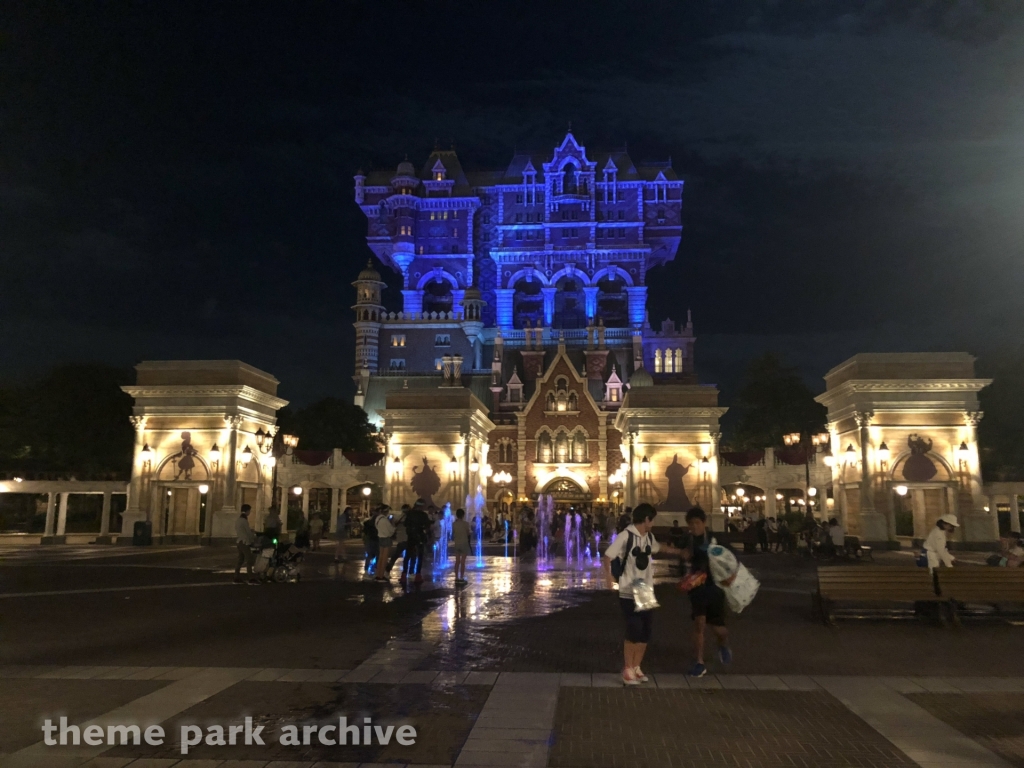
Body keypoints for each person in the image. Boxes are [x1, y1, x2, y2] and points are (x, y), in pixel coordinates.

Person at [603, 503, 683, 686]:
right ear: (646, 519)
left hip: (645, 589)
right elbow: (608, 555)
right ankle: (627, 669)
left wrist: (679, 552)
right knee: (634, 628)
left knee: (646, 630)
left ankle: (637, 667)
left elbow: (659, 548)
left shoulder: (648, 537)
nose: (652, 523)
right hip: (628, 589)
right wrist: (608, 577)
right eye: (652, 519)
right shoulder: (625, 536)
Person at [681, 507, 731, 678]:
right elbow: (682, 563)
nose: (694, 527)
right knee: (699, 624)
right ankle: (699, 662)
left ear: (704, 523)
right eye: (691, 524)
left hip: (715, 588)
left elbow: (731, 559)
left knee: (719, 630)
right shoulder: (687, 541)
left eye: (697, 523)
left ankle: (722, 644)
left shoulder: (716, 540)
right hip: (697, 590)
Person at [404, 499, 431, 584]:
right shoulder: (423, 515)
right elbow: (427, 526)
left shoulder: (410, 514)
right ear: (422, 506)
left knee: (408, 555)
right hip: (420, 537)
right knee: (419, 556)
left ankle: (404, 574)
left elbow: (405, 524)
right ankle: (418, 575)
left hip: (411, 537)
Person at [234, 505, 258, 585]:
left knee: (240, 560)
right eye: (249, 511)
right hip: (245, 542)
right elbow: (248, 533)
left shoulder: (238, 520)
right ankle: (251, 578)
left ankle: (236, 576)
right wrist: (252, 541)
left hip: (239, 541)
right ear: (247, 511)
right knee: (249, 560)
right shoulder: (244, 521)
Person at [387, 505, 410, 576]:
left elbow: (393, 524)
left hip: (402, 539)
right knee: (408, 556)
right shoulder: (408, 517)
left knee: (395, 555)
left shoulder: (399, 517)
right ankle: (406, 572)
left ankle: (388, 570)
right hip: (407, 539)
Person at [374, 506, 396, 582]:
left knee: (380, 557)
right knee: (384, 558)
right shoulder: (385, 520)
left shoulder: (378, 519)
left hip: (380, 538)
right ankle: (381, 576)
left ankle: (378, 574)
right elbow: (391, 530)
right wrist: (392, 522)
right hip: (386, 538)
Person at [452, 507, 471, 584]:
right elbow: (468, 533)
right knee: (463, 562)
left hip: (457, 543)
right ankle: (462, 577)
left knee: (457, 561)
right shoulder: (466, 524)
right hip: (464, 543)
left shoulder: (454, 524)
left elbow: (453, 533)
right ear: (463, 515)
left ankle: (456, 577)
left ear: (456, 515)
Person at [362, 508, 380, 578]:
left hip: (370, 539)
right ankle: (376, 570)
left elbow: (365, 531)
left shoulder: (368, 521)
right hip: (377, 539)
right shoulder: (378, 521)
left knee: (369, 556)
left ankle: (366, 571)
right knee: (378, 555)